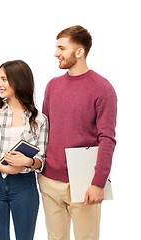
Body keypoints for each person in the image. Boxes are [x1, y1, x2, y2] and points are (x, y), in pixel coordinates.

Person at [39, 25, 117, 240]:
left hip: (83, 183)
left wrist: (98, 182)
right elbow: (44, 130)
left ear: (79, 52)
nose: (56, 53)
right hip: (49, 180)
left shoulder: (102, 88)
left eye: (61, 48)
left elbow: (107, 138)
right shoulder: (52, 86)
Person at [0, 60, 49, 240]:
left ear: (18, 81)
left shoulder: (40, 119)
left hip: (24, 185)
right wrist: (4, 168)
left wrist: (27, 162)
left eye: (4, 79)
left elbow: (41, 158)